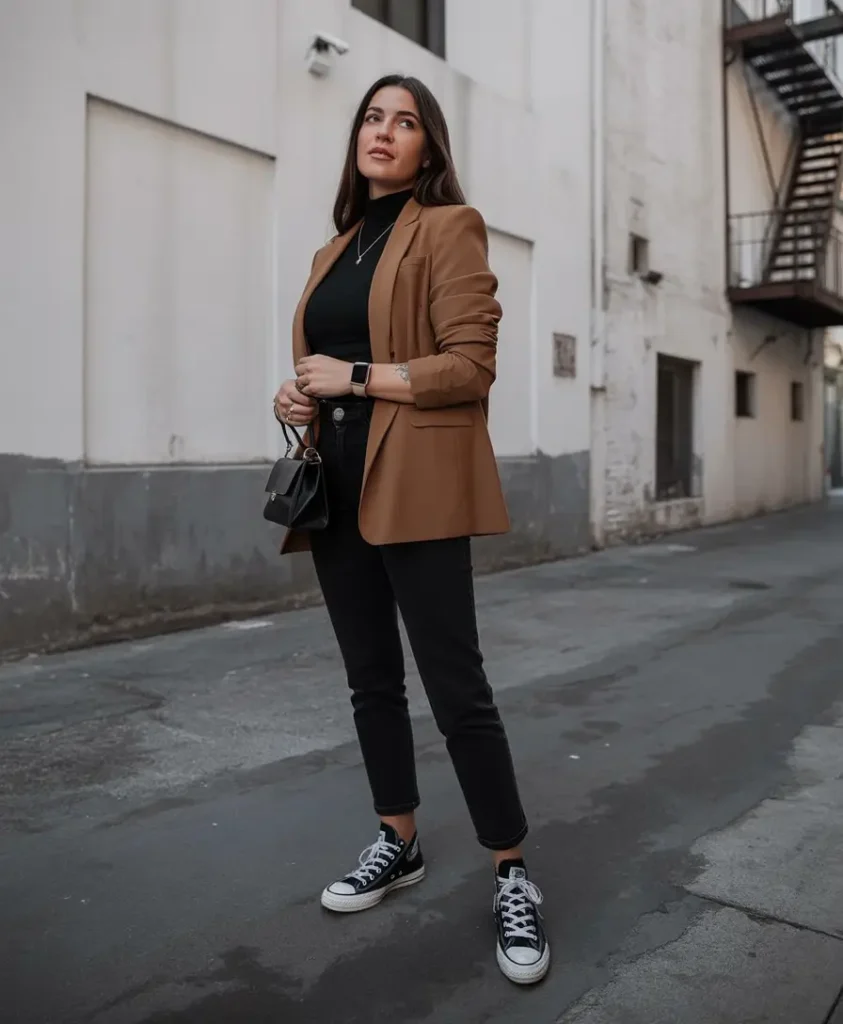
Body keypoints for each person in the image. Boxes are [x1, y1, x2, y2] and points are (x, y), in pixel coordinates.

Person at [273, 74, 549, 985]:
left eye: (404, 121)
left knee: (455, 683)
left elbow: (469, 366)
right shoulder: (333, 250)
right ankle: (398, 839)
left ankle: (511, 870)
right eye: (371, 117)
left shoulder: (448, 227)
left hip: (417, 482)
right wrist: (297, 396)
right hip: (338, 483)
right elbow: (322, 368)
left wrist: (353, 378)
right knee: (370, 681)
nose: (383, 131)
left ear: (429, 145)